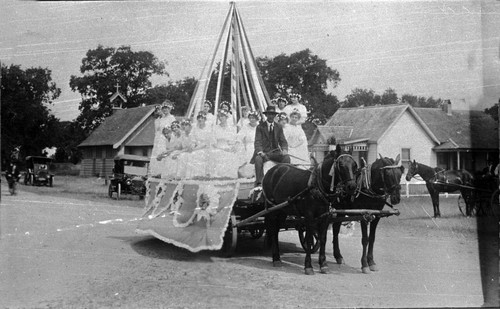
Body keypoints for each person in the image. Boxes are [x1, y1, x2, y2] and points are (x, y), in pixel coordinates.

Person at [252, 105, 290, 187]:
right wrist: (260, 152)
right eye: (269, 114)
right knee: (258, 159)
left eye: (273, 114)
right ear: (266, 115)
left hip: (275, 153)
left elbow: (283, 141)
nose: (271, 116)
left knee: (287, 158)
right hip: (264, 153)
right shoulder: (260, 127)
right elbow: (257, 142)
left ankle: (284, 180)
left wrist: (284, 150)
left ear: (275, 115)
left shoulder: (278, 127)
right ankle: (260, 182)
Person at [210, 109, 241, 178]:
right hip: (218, 147)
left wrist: (233, 147)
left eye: (223, 116)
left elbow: (234, 140)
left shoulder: (231, 128)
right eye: (220, 116)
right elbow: (213, 142)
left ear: (226, 117)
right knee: (219, 154)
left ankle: (230, 176)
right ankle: (219, 176)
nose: (221, 118)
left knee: (232, 155)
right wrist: (222, 148)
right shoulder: (215, 128)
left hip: (228, 147)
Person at [150, 100, 176, 176]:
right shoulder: (160, 119)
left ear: (170, 109)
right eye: (164, 108)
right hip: (159, 139)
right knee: (157, 153)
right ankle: (156, 172)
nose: (165, 110)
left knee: (164, 153)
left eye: (167, 108)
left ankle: (163, 172)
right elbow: (157, 130)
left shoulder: (172, 118)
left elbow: (173, 130)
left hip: (166, 139)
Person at [237, 110, 260, 178]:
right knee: (249, 160)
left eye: (253, 118)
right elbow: (239, 137)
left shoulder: (260, 127)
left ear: (257, 118)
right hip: (249, 147)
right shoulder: (245, 127)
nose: (252, 120)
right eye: (250, 118)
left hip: (258, 147)